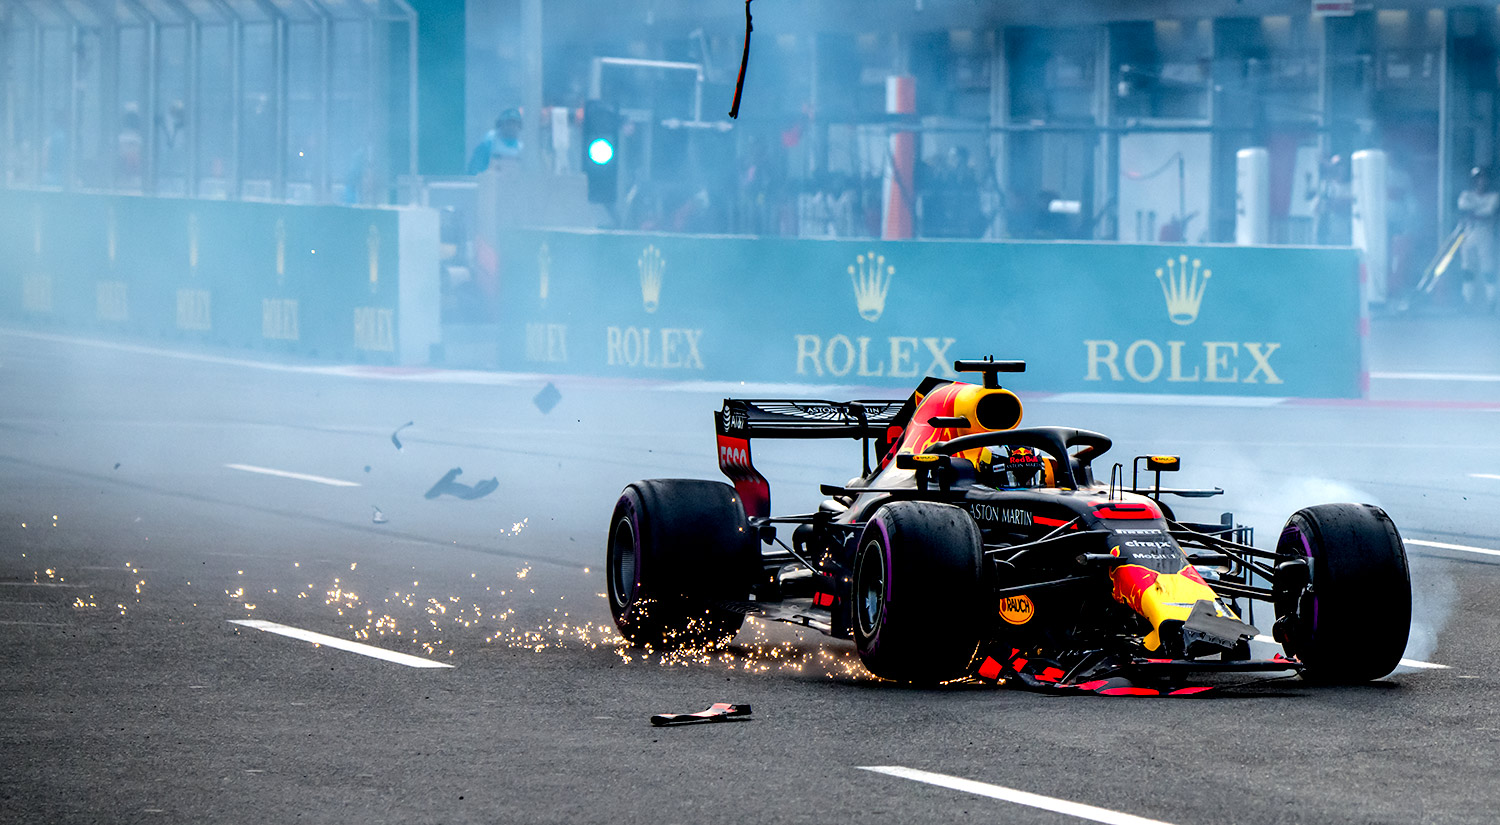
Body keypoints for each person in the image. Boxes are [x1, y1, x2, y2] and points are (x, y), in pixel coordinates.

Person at [1457, 165, 1498, 309]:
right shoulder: (1466, 195)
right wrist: (1478, 214)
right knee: (1468, 269)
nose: (1481, 181)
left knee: (1488, 268)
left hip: (1485, 234)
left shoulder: (1493, 196)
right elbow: (1462, 208)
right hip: (1468, 234)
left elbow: (1489, 212)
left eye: (1483, 178)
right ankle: (1467, 301)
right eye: (1478, 178)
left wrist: (1474, 213)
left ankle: (1491, 301)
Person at [467, 108, 524, 174]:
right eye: (508, 123)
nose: (512, 127)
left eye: (515, 124)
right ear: (500, 125)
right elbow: (475, 169)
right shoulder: (488, 143)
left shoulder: (521, 148)